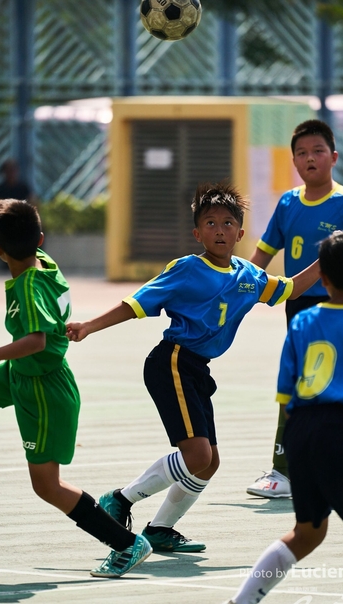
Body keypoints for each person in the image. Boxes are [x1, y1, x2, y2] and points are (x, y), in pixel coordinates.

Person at [66, 181, 321, 554]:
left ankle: (160, 529)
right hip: (172, 361)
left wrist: (326, 260)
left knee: (209, 463)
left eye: (227, 223)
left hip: (198, 369)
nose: (220, 230)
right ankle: (120, 499)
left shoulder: (248, 276)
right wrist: (89, 326)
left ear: (240, 232)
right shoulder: (186, 269)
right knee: (197, 457)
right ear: (197, 232)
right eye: (211, 223)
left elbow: (291, 289)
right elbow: (135, 303)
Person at [211, 231, 343, 604]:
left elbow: (286, 393)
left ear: (325, 280)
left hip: (302, 429)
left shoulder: (302, 321)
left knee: (309, 531)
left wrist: (292, 447)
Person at [0, 199, 152, 578]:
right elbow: (8, 239)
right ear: (39, 238)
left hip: (43, 390)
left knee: (47, 485)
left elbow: (36, 342)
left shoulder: (29, 287)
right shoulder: (43, 261)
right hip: (22, 374)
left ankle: (126, 544)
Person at [247, 118, 343, 500]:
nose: (310, 158)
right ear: (293, 161)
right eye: (302, 153)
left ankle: (283, 472)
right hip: (296, 307)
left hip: (338, 305)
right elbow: (263, 253)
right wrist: (236, 285)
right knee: (310, 383)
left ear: (334, 157)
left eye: (318, 151)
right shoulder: (288, 202)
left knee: (307, 382)